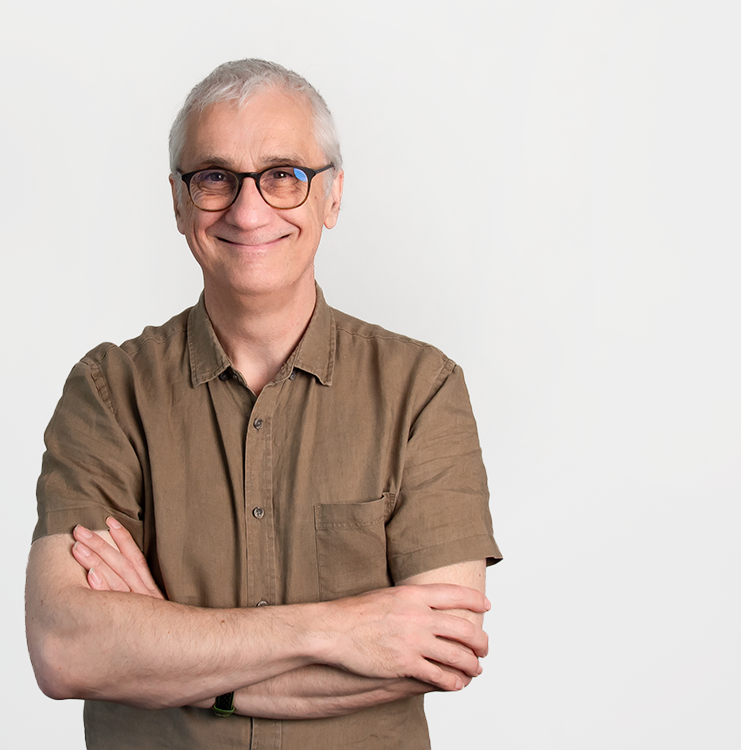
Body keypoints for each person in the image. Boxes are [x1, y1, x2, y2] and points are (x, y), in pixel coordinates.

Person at [25, 59, 501, 750]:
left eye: (283, 175)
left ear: (332, 197)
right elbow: (67, 649)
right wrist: (338, 629)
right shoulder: (107, 392)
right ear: (179, 202)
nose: (248, 211)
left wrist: (171, 657)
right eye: (214, 178)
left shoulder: (422, 389)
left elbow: (442, 649)